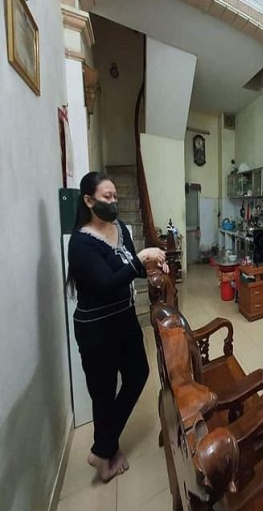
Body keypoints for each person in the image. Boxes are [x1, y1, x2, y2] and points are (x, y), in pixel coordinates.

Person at [67, 172, 168, 482]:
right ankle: (105, 453)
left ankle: (102, 448)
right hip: (96, 329)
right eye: (106, 197)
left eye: (115, 196)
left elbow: (129, 270)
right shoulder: (81, 244)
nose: (113, 202)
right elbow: (108, 284)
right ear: (89, 200)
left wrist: (152, 265)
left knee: (138, 374)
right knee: (103, 393)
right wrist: (141, 258)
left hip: (124, 319)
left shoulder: (120, 228)